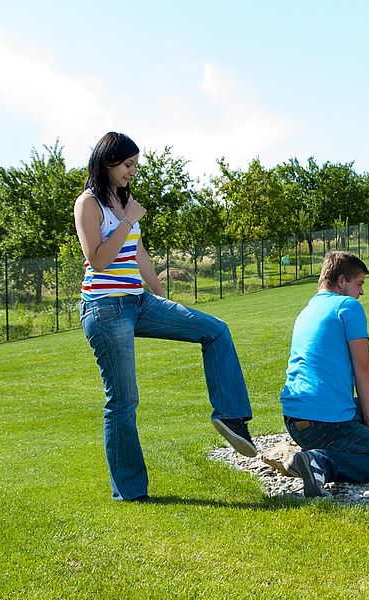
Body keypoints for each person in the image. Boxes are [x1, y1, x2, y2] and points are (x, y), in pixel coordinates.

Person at [74, 131, 257, 502]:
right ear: (108, 161)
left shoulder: (125, 200)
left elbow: (138, 253)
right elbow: (97, 259)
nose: (132, 173)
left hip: (138, 302)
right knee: (123, 402)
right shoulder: (88, 203)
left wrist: (162, 297)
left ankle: (230, 417)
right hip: (105, 308)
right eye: (128, 165)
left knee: (215, 331)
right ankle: (129, 490)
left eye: (135, 166)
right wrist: (127, 220)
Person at [279, 250, 369, 497]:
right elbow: (362, 367)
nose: (362, 292)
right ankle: (320, 462)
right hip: (323, 421)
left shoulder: (308, 309)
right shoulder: (347, 306)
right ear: (342, 280)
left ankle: (305, 461)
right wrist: (368, 423)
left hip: (297, 420)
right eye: (360, 284)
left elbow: (334, 369)